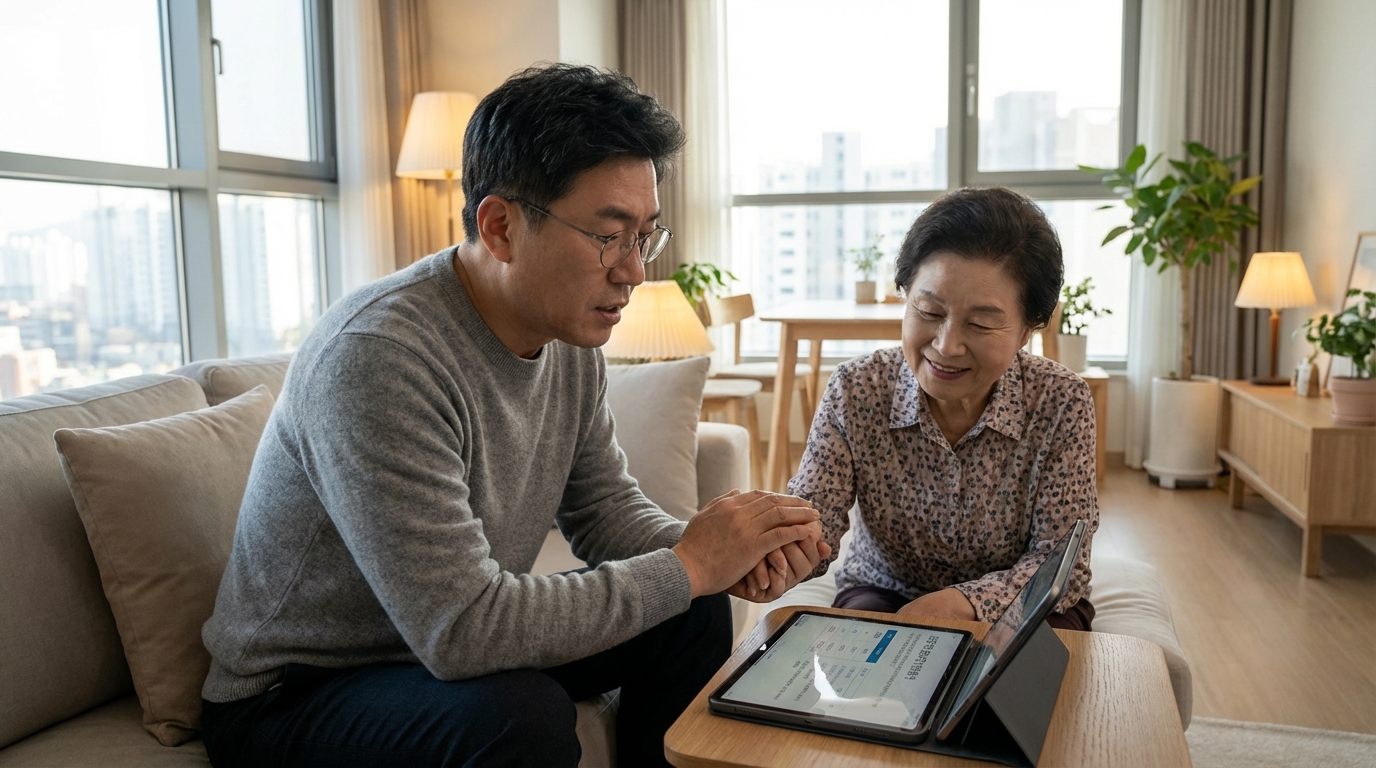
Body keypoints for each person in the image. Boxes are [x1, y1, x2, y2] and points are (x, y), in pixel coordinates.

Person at [199, 64, 829, 768]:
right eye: (609, 236)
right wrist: (689, 563)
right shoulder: (378, 357)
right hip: (297, 693)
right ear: (499, 226)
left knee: (691, 605)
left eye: (645, 235)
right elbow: (464, 630)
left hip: (432, 650)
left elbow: (604, 513)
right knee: (517, 716)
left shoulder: (567, 335)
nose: (634, 272)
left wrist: (722, 557)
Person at [790, 186, 1099, 630]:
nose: (946, 346)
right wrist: (782, 550)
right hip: (887, 591)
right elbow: (815, 515)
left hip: (1018, 604)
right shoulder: (857, 389)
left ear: (1027, 330)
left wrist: (962, 604)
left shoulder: (1061, 402)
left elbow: (1061, 566)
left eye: (981, 323)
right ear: (906, 296)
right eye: (929, 311)